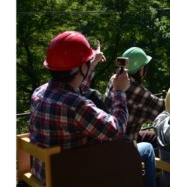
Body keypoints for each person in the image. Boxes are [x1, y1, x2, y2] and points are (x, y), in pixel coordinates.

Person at [28, 31, 133, 185]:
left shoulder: (39, 92)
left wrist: (91, 64)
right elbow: (116, 130)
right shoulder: (77, 106)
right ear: (80, 68)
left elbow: (73, 89)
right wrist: (119, 92)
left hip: (43, 174)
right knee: (145, 151)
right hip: (73, 177)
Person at [104, 47, 164, 186]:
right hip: (123, 149)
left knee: (150, 136)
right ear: (141, 70)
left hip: (108, 143)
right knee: (148, 149)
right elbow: (163, 109)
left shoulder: (114, 79)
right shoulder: (138, 91)